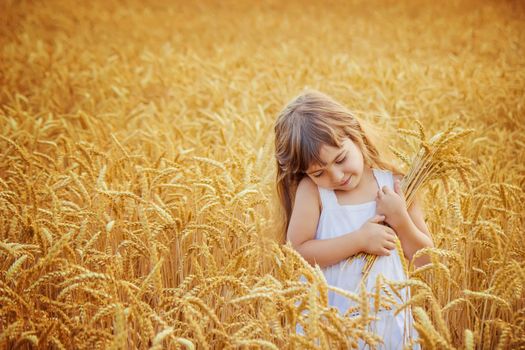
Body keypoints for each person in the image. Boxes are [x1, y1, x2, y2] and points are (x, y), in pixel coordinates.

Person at [273, 89, 434, 349]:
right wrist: (360, 240)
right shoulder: (313, 192)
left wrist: (400, 219)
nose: (336, 176)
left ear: (355, 135)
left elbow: (428, 260)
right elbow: (298, 251)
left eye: (340, 159)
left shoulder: (395, 185)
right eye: (318, 172)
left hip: (386, 321)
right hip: (327, 322)